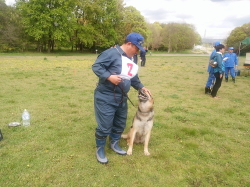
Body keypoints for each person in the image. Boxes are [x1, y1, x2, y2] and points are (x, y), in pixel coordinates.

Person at [92, 32, 151, 164]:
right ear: (129, 44)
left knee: (120, 123)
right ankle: (100, 148)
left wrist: (141, 87)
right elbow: (96, 66)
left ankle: (114, 143)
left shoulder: (131, 58)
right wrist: (109, 76)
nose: (137, 52)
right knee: (105, 125)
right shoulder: (111, 53)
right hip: (105, 96)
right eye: (136, 48)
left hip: (122, 96)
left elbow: (133, 76)